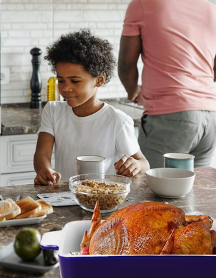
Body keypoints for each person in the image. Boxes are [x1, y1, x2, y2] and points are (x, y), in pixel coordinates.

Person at [118, 0, 216, 169]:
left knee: (150, 190)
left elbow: (126, 64)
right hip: (210, 118)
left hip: (170, 117)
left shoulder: (142, 4)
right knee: (196, 192)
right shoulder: (214, 11)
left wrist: (133, 91)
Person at [34, 29, 150, 185]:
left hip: (103, 198)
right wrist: (45, 170)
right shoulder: (53, 111)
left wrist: (135, 165)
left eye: (75, 81)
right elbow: (42, 153)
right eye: (61, 81)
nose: (65, 88)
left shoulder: (117, 120)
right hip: (65, 195)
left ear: (99, 80)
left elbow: (143, 163)